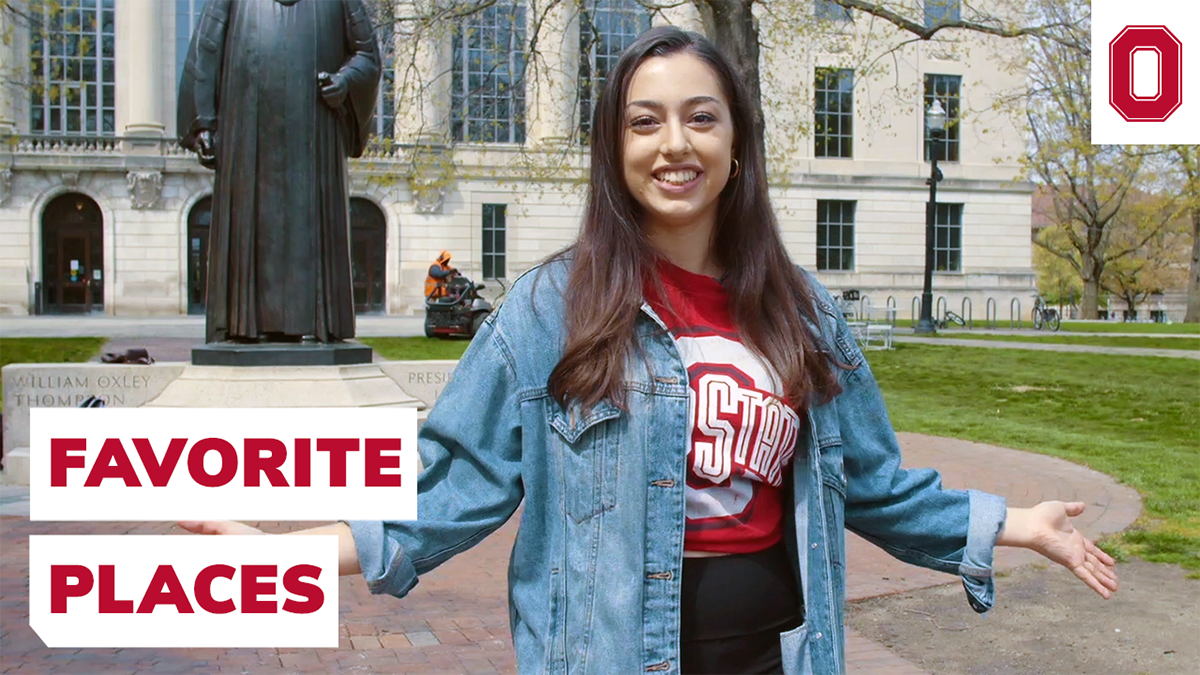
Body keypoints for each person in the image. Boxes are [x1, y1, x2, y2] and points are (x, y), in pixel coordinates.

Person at [181, 27, 1118, 675]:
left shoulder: (803, 315)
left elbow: (871, 485)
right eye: (645, 120)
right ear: (614, 149)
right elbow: (447, 490)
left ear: (737, 143)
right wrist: (287, 552)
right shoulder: (551, 309)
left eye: (701, 117)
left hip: (775, 652)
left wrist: (1011, 523)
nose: (676, 143)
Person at [177, 0, 381, 344]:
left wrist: (344, 81)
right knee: (250, 224)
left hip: (315, 132)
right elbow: (206, 49)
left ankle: (319, 323)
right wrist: (203, 124)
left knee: (311, 225)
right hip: (246, 133)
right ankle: (241, 326)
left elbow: (368, 56)